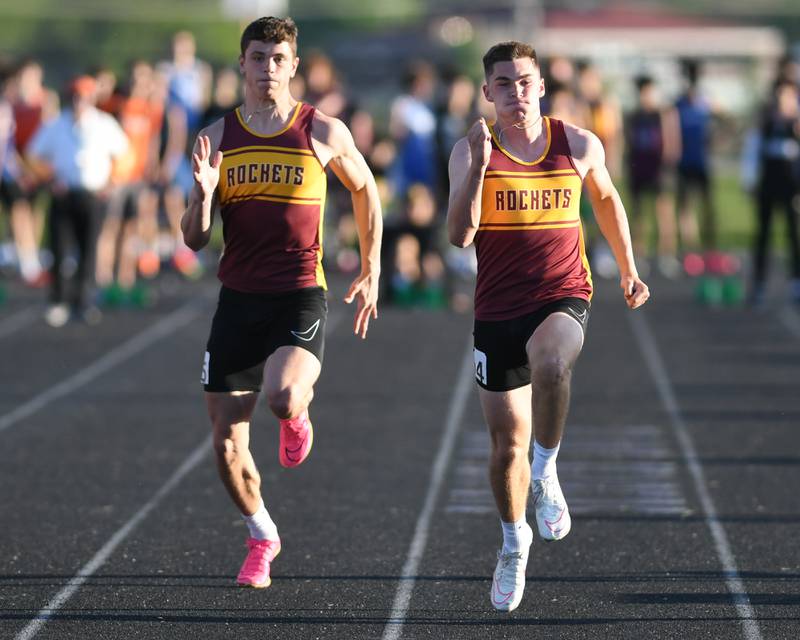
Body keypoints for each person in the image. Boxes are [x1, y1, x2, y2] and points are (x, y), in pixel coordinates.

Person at [447, 41, 649, 613]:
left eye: (526, 81)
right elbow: (460, 237)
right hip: (496, 310)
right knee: (502, 447)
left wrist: (629, 270)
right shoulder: (470, 150)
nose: (517, 93)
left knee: (553, 361)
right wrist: (479, 172)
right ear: (488, 92)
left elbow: (607, 202)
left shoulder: (577, 144)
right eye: (504, 83)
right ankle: (514, 543)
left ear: (542, 86)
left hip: (563, 293)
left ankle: (548, 469)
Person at [181, 16, 382, 590]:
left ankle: (296, 415)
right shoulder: (215, 138)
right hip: (238, 299)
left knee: (284, 393)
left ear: (294, 66)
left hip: (298, 293)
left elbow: (365, 190)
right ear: (241, 65)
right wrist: (200, 194)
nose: (268, 67)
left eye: (279, 58)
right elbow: (194, 238)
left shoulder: (322, 131)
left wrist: (370, 268)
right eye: (258, 56)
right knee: (225, 442)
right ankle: (262, 534)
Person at [27, 75, 128, 327]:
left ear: (92, 98)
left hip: (93, 196)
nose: (79, 101)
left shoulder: (104, 124)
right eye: (75, 96)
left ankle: (84, 301)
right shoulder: (56, 124)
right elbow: (33, 155)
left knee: (89, 251)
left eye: (84, 96)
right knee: (59, 250)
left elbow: (125, 156)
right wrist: (49, 180)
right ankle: (58, 300)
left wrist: (111, 182)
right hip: (64, 194)